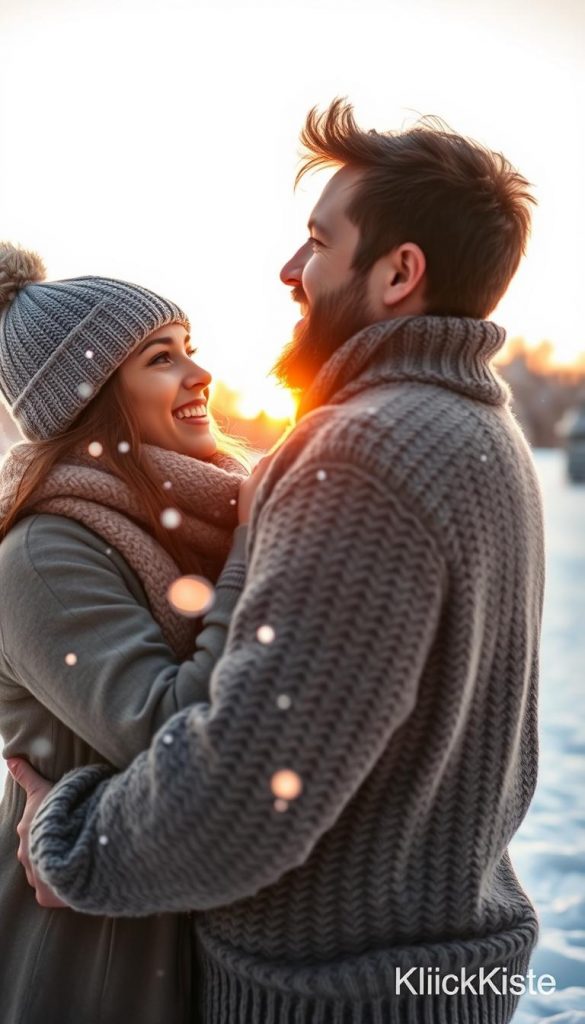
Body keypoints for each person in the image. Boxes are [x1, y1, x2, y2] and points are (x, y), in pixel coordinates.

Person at [10, 100, 545, 1024]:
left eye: (316, 241)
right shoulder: (475, 428)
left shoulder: (360, 453)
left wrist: (72, 839)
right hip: (418, 973)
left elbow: (242, 788)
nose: (290, 270)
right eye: (158, 358)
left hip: (334, 991)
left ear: (396, 272)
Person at [0, 244, 264, 1024]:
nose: (197, 374)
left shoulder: (188, 516)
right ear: (93, 398)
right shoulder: (43, 556)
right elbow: (176, 734)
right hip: (98, 964)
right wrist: (257, 550)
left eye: (190, 349)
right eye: (161, 357)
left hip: (190, 940)